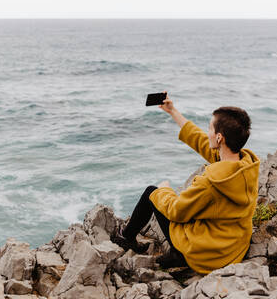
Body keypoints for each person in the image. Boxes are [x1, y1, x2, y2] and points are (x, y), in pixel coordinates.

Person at [111, 91, 260, 275]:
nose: (207, 133)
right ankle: (172, 251)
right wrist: (173, 111)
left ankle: (126, 238)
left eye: (210, 129)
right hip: (230, 248)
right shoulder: (244, 167)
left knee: (152, 192)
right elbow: (200, 141)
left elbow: (177, 211)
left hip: (205, 255)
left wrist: (164, 190)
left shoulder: (211, 183)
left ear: (219, 138)